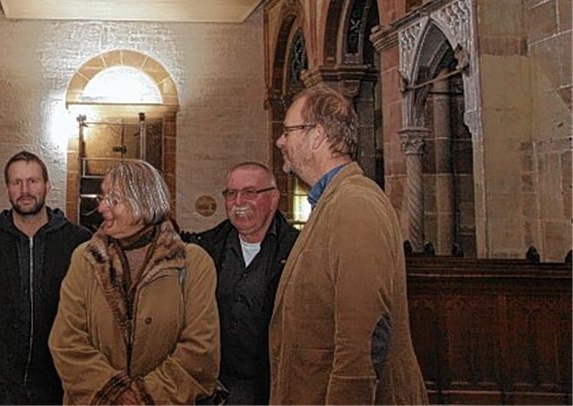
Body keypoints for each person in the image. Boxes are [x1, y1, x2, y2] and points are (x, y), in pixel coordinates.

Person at [269, 85, 427, 404]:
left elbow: (364, 339)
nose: (280, 141)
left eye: (288, 131)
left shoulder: (355, 204)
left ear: (317, 135)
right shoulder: (332, 201)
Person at [49, 159, 219, 405]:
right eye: (103, 197)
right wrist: (113, 392)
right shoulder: (85, 258)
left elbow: (200, 351)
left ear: (144, 203)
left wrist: (145, 397)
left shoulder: (193, 263)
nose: (102, 208)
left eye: (114, 200)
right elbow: (66, 341)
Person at [0, 150, 91, 404]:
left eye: (33, 181)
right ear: (8, 189)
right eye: (16, 182)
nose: (25, 189)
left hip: (60, 386)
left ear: (47, 186)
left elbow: (91, 320)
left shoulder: (77, 241)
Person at [193, 162, 298, 404]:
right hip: (213, 389)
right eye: (231, 194)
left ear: (273, 198)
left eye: (250, 193)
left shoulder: (298, 253)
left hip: (271, 389)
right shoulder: (205, 250)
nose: (238, 202)